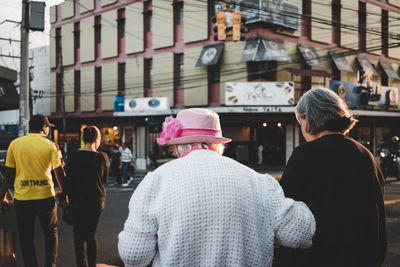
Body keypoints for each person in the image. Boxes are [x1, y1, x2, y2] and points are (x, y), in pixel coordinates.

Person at [118, 108, 316, 267]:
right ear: (219, 144)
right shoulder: (258, 180)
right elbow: (300, 234)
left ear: (178, 147)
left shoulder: (156, 181)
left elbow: (135, 256)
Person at [274, 88, 387, 267]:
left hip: (319, 258)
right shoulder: (366, 156)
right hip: (364, 258)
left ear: (307, 118)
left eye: (299, 121)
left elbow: (283, 209)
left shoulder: (305, 155)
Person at [0, 114, 66, 267]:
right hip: (46, 198)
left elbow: (8, 175)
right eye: (47, 127)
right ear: (44, 127)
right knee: (51, 234)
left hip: (23, 200)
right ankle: (50, 265)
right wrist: (64, 194)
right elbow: (60, 172)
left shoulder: (15, 144)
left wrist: (2, 196)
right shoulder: (51, 145)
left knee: (26, 237)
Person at [64, 125, 109, 267]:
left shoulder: (72, 156)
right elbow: (105, 180)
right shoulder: (102, 157)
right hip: (96, 201)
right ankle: (92, 264)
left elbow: (68, 180)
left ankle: (81, 264)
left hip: (77, 201)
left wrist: (64, 197)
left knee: (78, 236)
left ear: (84, 139)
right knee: (91, 235)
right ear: (97, 139)